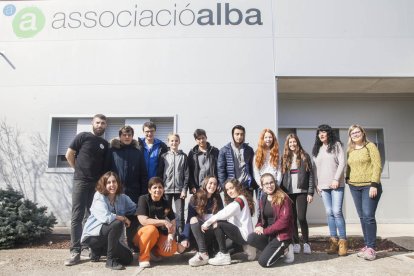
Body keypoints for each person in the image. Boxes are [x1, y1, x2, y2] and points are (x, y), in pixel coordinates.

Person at [64, 114, 109, 266]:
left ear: (105, 126)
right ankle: (75, 251)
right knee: (77, 216)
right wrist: (77, 169)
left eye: (103, 123)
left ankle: (89, 247)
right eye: (97, 122)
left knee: (92, 216)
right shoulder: (83, 136)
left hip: (95, 185)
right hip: (81, 182)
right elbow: (69, 154)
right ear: (92, 123)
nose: (100, 125)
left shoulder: (104, 143)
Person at [81, 172, 136, 270]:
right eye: (108, 182)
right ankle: (110, 260)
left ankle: (100, 251)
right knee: (117, 223)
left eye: (114, 181)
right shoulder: (99, 196)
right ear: (104, 185)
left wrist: (151, 212)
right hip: (93, 237)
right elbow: (105, 217)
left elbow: (135, 209)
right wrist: (123, 218)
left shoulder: (122, 198)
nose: (112, 185)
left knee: (128, 259)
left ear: (118, 183)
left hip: (110, 239)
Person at [106, 125, 148, 251]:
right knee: (115, 220)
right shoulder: (112, 151)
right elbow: (106, 173)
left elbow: (143, 174)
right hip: (115, 192)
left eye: (129, 135)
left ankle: (132, 245)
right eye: (124, 134)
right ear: (120, 136)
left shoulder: (138, 152)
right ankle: (115, 247)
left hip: (134, 192)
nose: (127, 137)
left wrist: (143, 193)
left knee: (133, 220)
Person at [346, 124, 382, 261]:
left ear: (362, 133)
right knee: (362, 216)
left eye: (357, 132)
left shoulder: (370, 146)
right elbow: (348, 166)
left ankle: (372, 248)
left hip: (369, 186)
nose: (355, 134)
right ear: (350, 136)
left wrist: (374, 184)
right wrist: (347, 178)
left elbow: (377, 165)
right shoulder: (350, 150)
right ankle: (367, 245)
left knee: (368, 216)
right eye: (352, 133)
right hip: (354, 186)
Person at [133, 177, 186, 268]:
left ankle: (152, 252)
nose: (158, 190)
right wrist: (163, 221)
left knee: (172, 248)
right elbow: (143, 220)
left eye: (160, 187)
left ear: (163, 189)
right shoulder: (143, 199)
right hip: (141, 236)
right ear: (149, 190)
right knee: (151, 229)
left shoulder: (165, 202)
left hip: (157, 236)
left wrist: (170, 236)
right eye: (155, 187)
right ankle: (143, 258)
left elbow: (173, 221)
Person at [201, 179, 256, 266]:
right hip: (241, 236)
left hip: (243, 235)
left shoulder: (239, 201)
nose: (229, 191)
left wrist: (206, 223)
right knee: (216, 252)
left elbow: (223, 213)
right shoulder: (238, 200)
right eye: (227, 190)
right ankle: (245, 247)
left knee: (218, 223)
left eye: (231, 188)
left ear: (237, 187)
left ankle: (224, 256)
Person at [312, 124, 348, 256]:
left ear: (329, 134)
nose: (321, 135)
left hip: (336, 184)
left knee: (337, 211)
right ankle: (333, 242)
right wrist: (316, 185)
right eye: (319, 133)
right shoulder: (317, 149)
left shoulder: (336, 145)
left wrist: (336, 179)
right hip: (323, 186)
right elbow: (315, 168)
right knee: (329, 212)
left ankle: (343, 242)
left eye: (324, 132)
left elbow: (342, 163)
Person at [247, 173, 294, 267]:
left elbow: (283, 222)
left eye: (271, 182)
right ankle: (278, 251)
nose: (269, 185)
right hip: (269, 234)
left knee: (263, 262)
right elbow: (261, 218)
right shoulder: (263, 198)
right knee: (251, 238)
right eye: (266, 183)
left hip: (281, 235)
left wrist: (265, 231)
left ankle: (287, 249)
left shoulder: (283, 198)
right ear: (262, 187)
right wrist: (259, 226)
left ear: (275, 183)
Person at [280, 133, 314, 254]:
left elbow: (311, 175)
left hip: (302, 191)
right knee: (292, 218)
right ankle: (295, 243)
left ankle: (306, 243)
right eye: (290, 143)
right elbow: (281, 177)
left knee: (301, 217)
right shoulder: (284, 158)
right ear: (287, 145)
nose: (292, 144)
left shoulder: (305, 156)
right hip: (288, 193)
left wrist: (310, 192)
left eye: (294, 142)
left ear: (297, 142)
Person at [183, 176, 224, 266]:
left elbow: (222, 216)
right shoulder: (195, 198)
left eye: (215, 184)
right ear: (205, 184)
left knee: (217, 222)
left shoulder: (217, 198)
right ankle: (203, 252)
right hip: (198, 233)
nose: (212, 186)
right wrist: (185, 238)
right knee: (180, 248)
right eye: (210, 183)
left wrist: (212, 222)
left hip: (211, 232)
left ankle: (204, 252)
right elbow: (188, 220)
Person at [157, 133, 189, 237]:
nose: (174, 143)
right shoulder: (164, 156)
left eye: (176, 141)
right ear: (168, 142)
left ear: (179, 142)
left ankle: (181, 238)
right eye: (172, 141)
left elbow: (187, 175)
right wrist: (161, 190)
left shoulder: (184, 156)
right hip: (166, 190)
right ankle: (168, 236)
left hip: (180, 191)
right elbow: (160, 174)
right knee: (166, 214)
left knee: (180, 215)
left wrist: (184, 189)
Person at [217, 125, 257, 195]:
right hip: (232, 187)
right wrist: (225, 187)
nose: (239, 136)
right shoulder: (224, 150)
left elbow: (252, 168)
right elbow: (221, 170)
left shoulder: (249, 149)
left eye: (242, 134)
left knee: (248, 206)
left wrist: (252, 183)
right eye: (237, 134)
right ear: (233, 135)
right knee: (233, 206)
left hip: (246, 186)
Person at [187, 129, 220, 193]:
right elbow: (189, 171)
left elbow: (220, 169)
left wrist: (219, 183)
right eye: (199, 139)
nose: (201, 140)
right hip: (198, 187)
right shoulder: (192, 153)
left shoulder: (215, 151)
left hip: (212, 187)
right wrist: (192, 185)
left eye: (203, 138)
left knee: (215, 203)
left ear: (206, 138)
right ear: (196, 140)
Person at [253, 128, 281, 199]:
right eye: (266, 137)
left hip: (274, 185)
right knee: (262, 209)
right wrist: (261, 185)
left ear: (273, 139)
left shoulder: (277, 153)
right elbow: (255, 171)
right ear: (262, 139)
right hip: (262, 187)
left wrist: (277, 184)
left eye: (270, 137)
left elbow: (279, 170)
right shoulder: (257, 153)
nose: (268, 139)